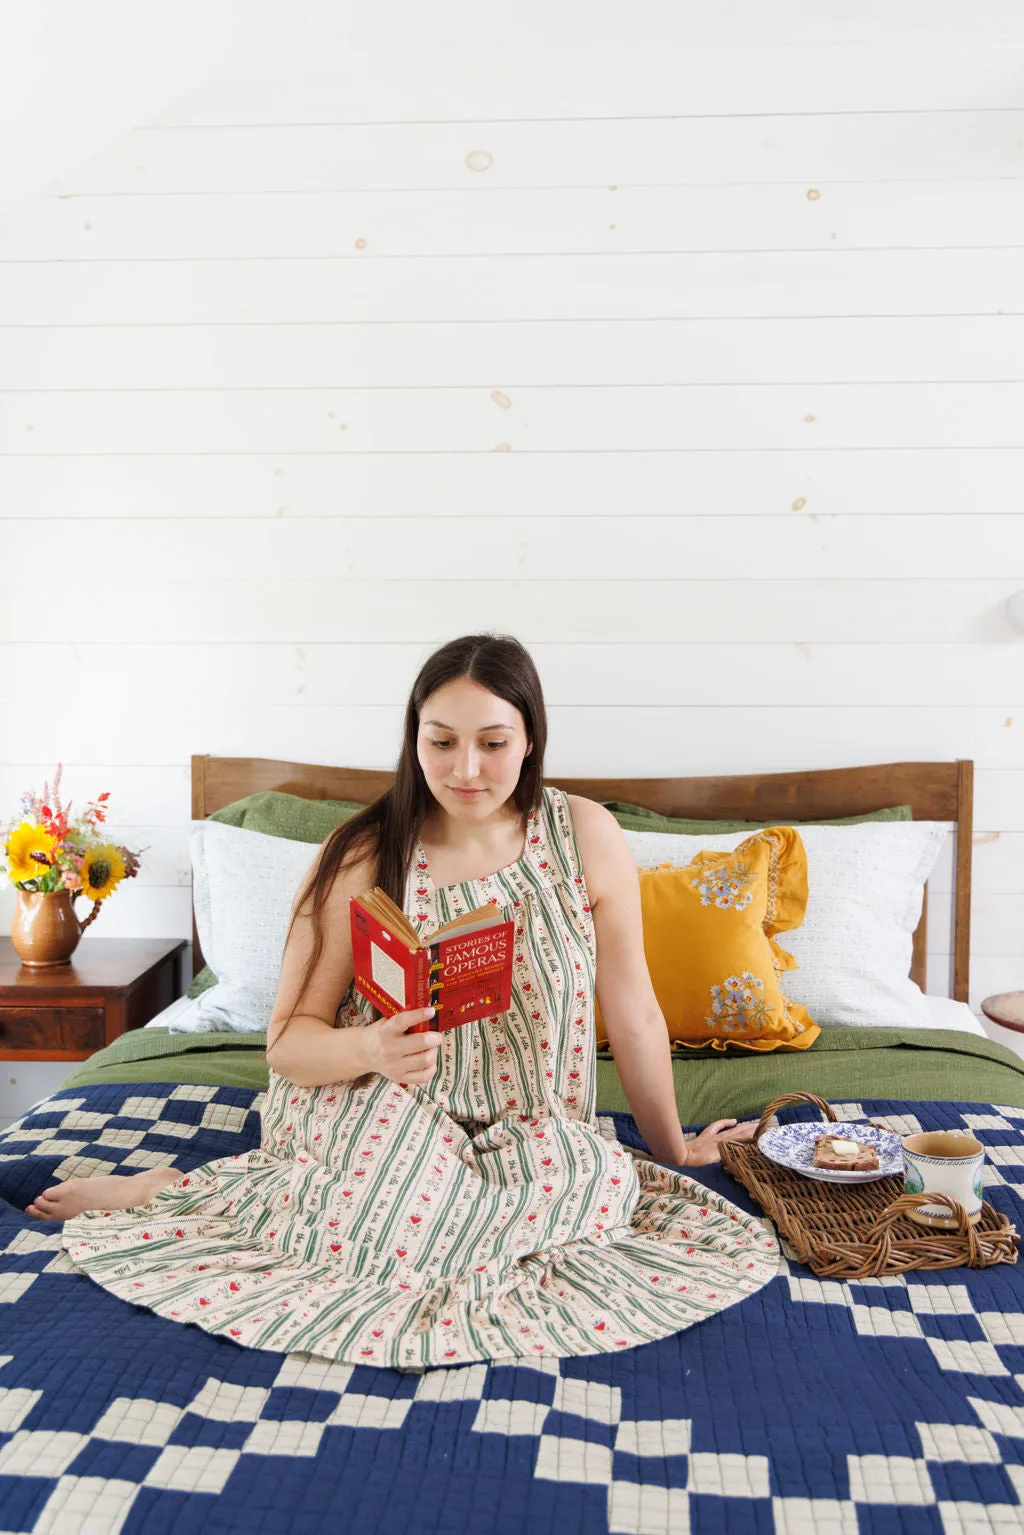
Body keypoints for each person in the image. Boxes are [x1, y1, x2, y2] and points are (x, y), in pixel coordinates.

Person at [27, 633, 778, 1368]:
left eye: (492, 742)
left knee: (596, 1181)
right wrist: (370, 1047)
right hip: (377, 1102)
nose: (466, 768)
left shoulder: (584, 835)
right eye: (441, 741)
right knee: (395, 1215)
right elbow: (288, 1042)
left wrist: (672, 1147)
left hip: (530, 1125)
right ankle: (173, 1191)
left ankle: (343, 1204)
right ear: (413, 739)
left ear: (529, 739)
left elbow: (638, 1010)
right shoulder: (362, 853)